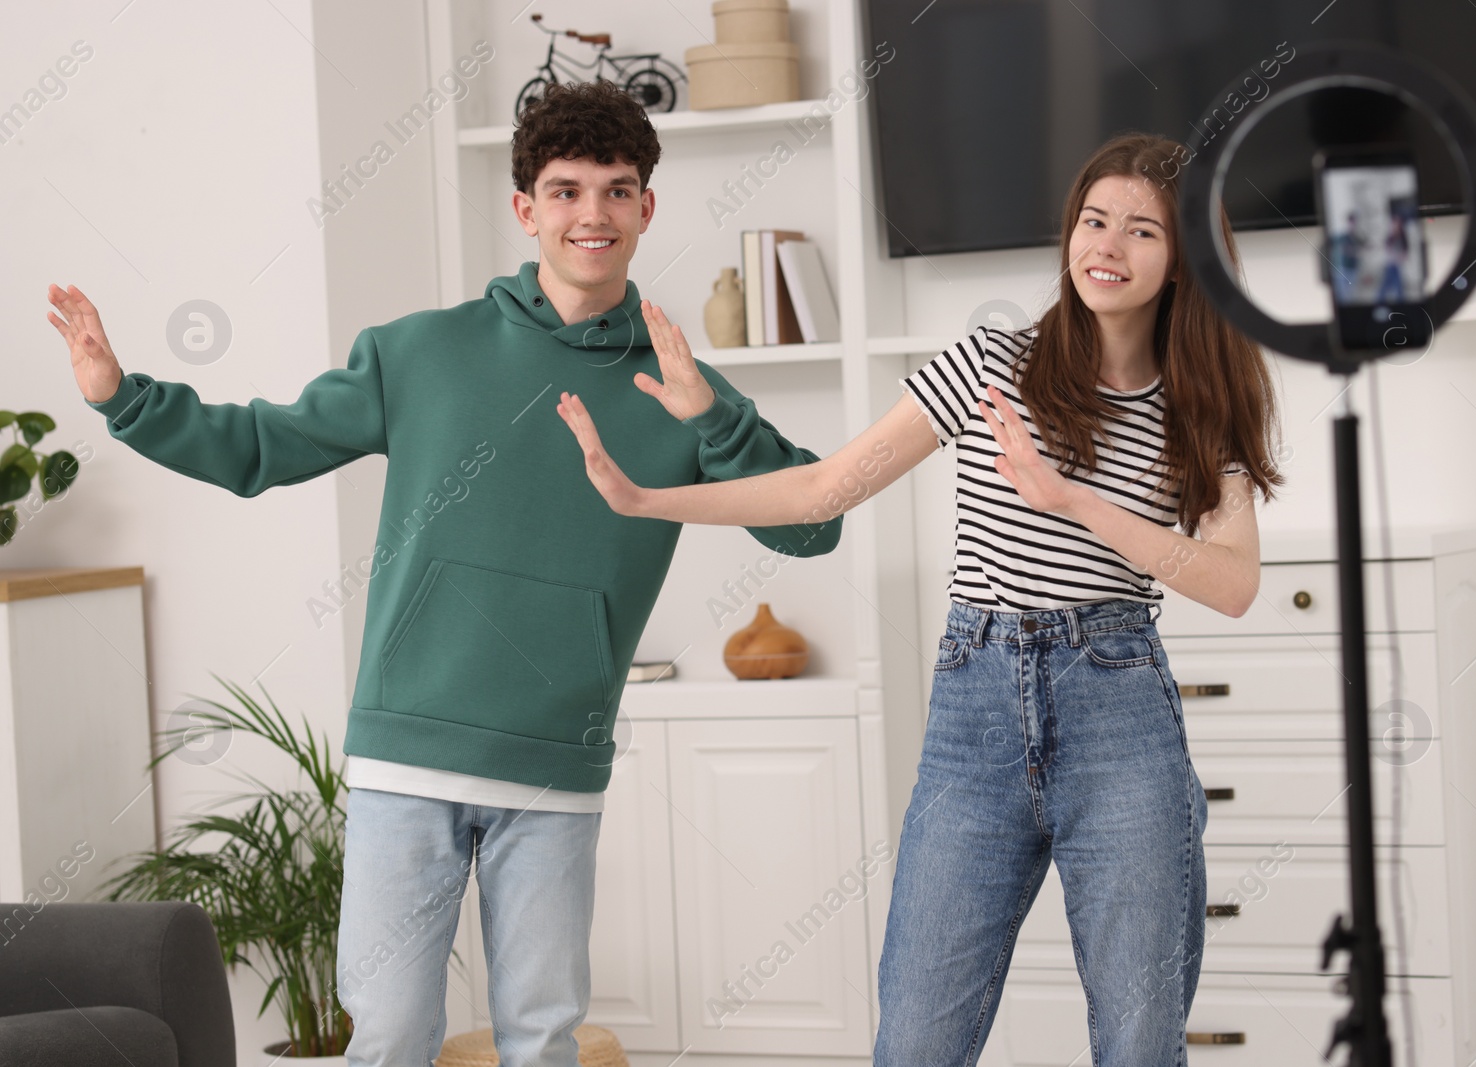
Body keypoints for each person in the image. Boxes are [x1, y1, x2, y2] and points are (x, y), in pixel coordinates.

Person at [46, 80, 841, 1066]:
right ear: (524, 209)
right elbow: (261, 447)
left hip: (554, 763)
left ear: (645, 208)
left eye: (615, 189)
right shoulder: (420, 351)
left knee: (543, 1039)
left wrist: (712, 419)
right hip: (404, 755)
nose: (590, 213)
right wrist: (125, 397)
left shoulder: (680, 382)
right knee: (388, 1037)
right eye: (564, 190)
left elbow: (812, 528)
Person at [556, 131, 1285, 1065]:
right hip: (974, 713)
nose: (1107, 245)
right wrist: (651, 498)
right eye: (1094, 221)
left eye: (1142, 231)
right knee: (917, 1039)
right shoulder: (991, 362)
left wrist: (1072, 500)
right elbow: (824, 488)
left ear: (1186, 258)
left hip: (1122, 716)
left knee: (1141, 1043)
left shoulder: (1205, 400)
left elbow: (1231, 584)